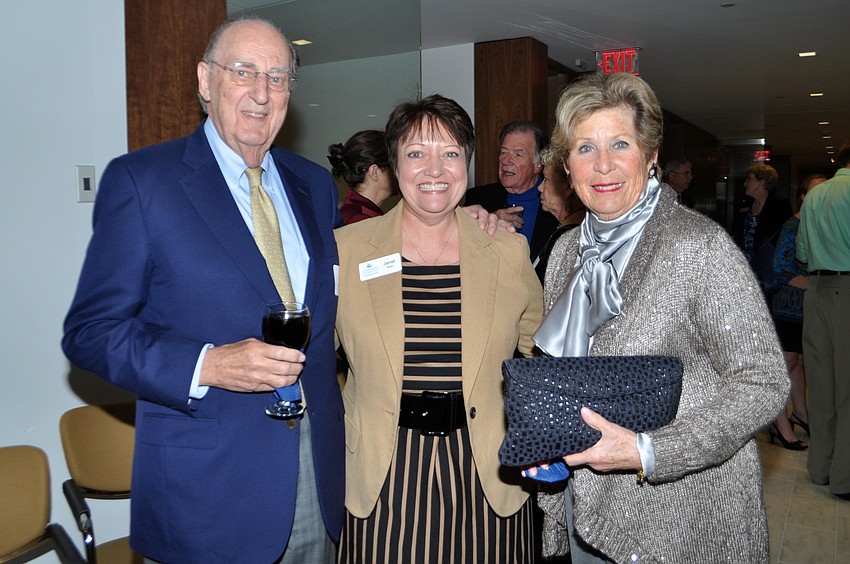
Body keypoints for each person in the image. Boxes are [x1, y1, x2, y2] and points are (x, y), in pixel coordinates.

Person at [62, 17, 345, 563]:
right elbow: (91, 333)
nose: (262, 92)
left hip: (315, 475)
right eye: (243, 71)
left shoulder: (313, 185)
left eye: (278, 76)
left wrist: (461, 219)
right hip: (205, 493)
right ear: (203, 79)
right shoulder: (143, 182)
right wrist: (206, 365)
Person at [530, 73, 789, 563]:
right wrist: (544, 432)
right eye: (585, 148)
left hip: (679, 520)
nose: (602, 165)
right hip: (585, 505)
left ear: (650, 157)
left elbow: (764, 383)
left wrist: (651, 452)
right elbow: (568, 376)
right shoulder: (566, 253)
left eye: (620, 144)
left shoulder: (697, 247)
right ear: (566, 164)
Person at [334, 94, 543, 563]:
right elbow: (309, 364)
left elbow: (538, 357)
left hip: (487, 472)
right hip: (382, 473)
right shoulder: (345, 252)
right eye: (416, 153)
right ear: (393, 164)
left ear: (466, 164)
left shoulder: (507, 253)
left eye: (450, 153)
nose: (434, 169)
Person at [796, 142, 850, 501]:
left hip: (815, 292)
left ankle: (820, 467)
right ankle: (844, 480)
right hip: (846, 291)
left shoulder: (814, 196)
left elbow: (801, 252)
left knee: (822, 385)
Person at [768, 174, 827, 450]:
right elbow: (782, 270)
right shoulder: (793, 225)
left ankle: (800, 413)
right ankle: (780, 424)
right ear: (803, 196)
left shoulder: (817, 223)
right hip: (787, 307)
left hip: (805, 308)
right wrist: (815, 284)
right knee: (786, 364)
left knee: (799, 363)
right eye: (814, 191)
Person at [464, 120, 559, 260]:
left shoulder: (557, 201)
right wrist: (489, 223)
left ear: (538, 164)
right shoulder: (478, 198)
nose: (506, 161)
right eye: (503, 152)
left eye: (518, 154)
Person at [732, 163, 791, 302]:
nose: (745, 183)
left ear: (762, 182)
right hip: (744, 267)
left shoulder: (779, 205)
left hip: (766, 266)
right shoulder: (744, 206)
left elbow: (786, 236)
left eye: (749, 179)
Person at [534, 145, 586, 282]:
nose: (540, 188)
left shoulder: (572, 238)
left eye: (546, 179)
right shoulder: (561, 229)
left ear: (568, 187)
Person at [328, 130, 398, 225]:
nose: (401, 172)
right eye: (395, 165)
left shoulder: (360, 214)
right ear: (374, 172)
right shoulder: (361, 220)